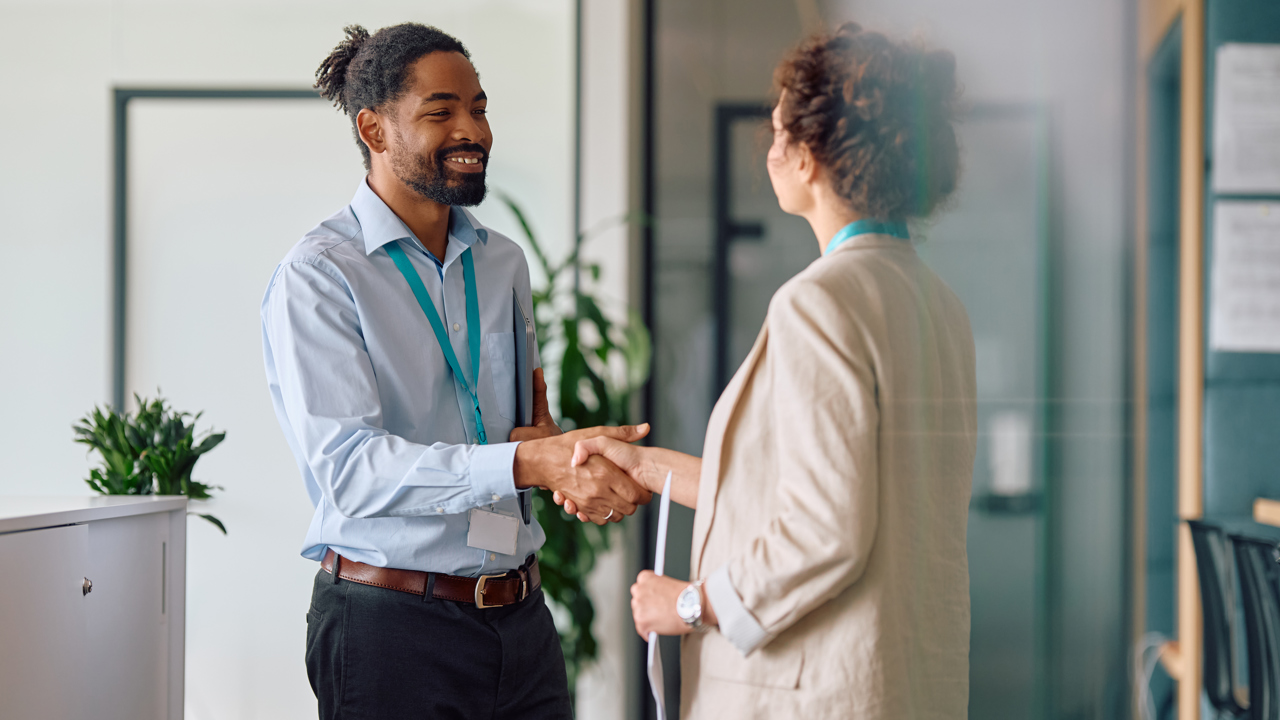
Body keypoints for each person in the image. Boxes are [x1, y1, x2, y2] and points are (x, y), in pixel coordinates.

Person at [564, 22, 975, 719]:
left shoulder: (819, 301)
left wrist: (690, 604)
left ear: (809, 155)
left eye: (778, 130)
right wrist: (646, 470)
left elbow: (827, 529)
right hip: (904, 684)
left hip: (816, 694)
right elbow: (809, 487)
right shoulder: (936, 303)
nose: (771, 149)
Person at [261, 23, 649, 719]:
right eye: (441, 112)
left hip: (520, 616)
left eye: (479, 108)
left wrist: (560, 457)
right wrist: (526, 464)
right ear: (374, 131)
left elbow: (519, 433)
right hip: (391, 625)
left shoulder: (501, 263)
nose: (472, 129)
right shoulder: (321, 274)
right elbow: (350, 469)